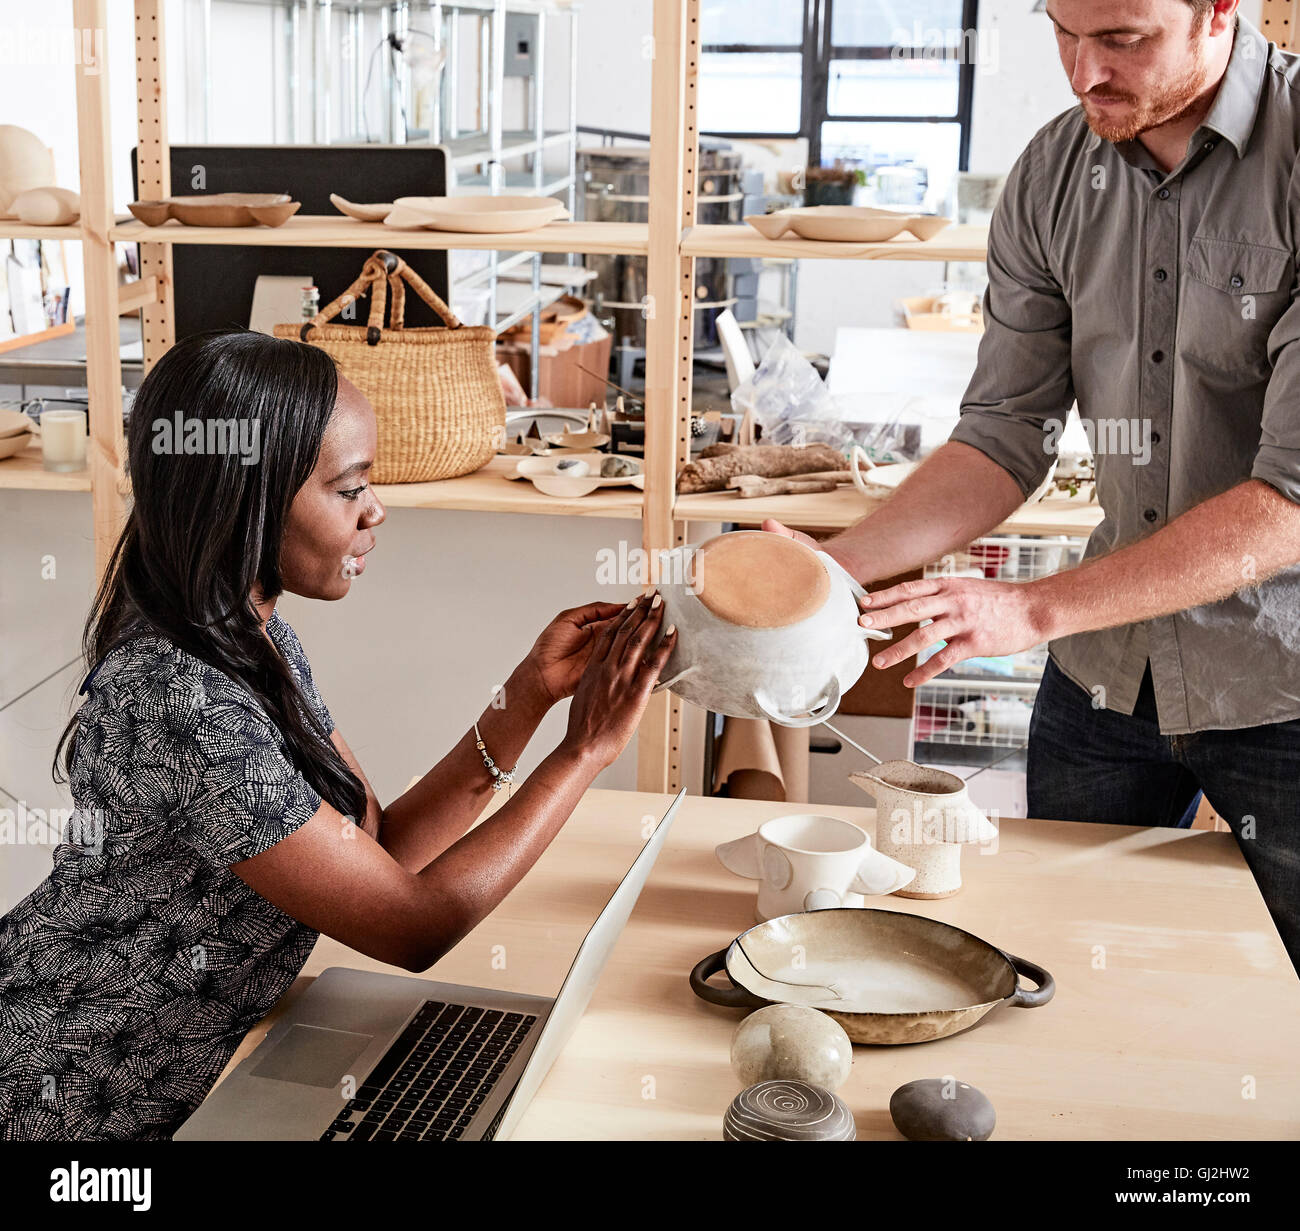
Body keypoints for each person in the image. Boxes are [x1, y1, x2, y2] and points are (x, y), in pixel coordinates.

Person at [0, 329, 676, 1140]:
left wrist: (527, 693)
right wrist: (585, 749)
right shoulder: (179, 698)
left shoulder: (254, 639)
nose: (375, 509)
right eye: (349, 487)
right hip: (69, 1098)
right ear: (244, 498)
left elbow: (382, 850)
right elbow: (413, 926)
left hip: (200, 1065)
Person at [768, 0, 1300, 973]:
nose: (1081, 71)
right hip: (1104, 680)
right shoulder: (1055, 174)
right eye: (1062, 31)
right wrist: (830, 570)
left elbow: (1291, 498)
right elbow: (1006, 433)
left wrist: (1030, 607)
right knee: (1070, 970)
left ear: (1220, 10)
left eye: (1121, 39)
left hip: (1283, 684)